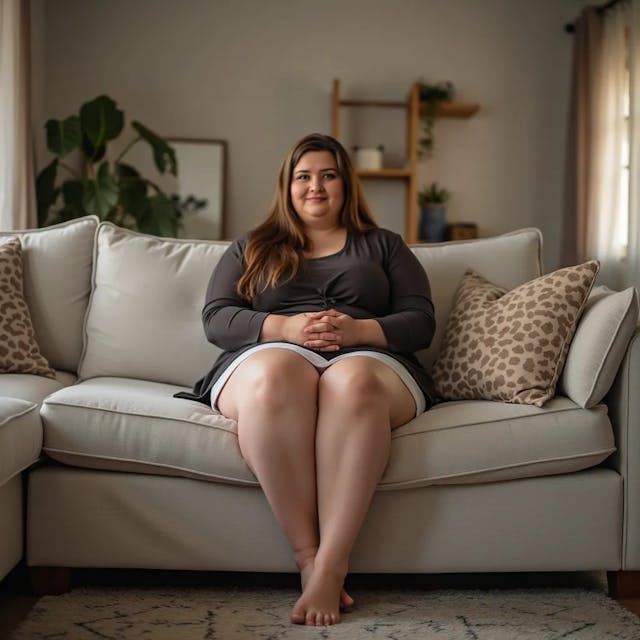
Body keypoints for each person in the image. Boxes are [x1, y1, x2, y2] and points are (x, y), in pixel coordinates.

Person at [181, 133, 436, 626]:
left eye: (327, 175)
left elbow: (421, 321)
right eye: (303, 176)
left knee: (353, 381)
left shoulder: (384, 245)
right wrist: (285, 327)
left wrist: (359, 328)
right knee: (278, 374)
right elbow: (216, 317)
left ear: (345, 184)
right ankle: (307, 558)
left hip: (366, 357)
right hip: (270, 354)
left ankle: (333, 564)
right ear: (287, 186)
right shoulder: (253, 245)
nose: (314, 186)